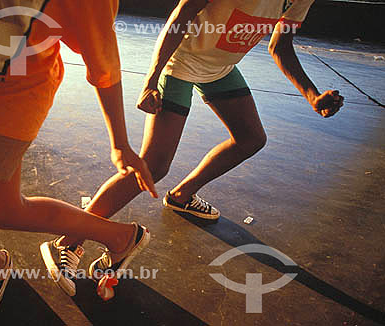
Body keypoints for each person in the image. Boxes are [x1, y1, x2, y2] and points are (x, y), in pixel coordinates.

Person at [53, 0, 344, 293]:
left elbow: (280, 46)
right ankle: (69, 239)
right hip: (181, 63)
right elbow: (182, 14)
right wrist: (152, 78)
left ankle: (181, 196)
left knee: (251, 138)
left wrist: (312, 96)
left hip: (220, 70)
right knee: (153, 166)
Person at [0, 0, 157, 324]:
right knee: (4, 212)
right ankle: (121, 237)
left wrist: (121, 143)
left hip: (8, 101)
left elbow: (103, 61)